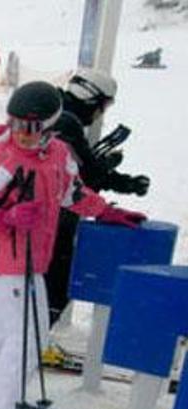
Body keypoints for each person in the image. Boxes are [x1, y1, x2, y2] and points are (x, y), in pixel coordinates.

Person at [0, 81, 146, 409]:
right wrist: (4, 216)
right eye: (15, 124)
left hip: (33, 258)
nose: (22, 134)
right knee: (29, 334)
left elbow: (73, 192)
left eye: (32, 127)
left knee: (5, 323)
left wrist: (107, 211)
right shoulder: (3, 158)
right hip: (9, 260)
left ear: (51, 126)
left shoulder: (58, 155)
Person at [45, 69, 151, 328]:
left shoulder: (52, 111)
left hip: (41, 217)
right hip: (53, 220)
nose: (101, 113)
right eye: (104, 105)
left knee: (34, 282)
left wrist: (102, 166)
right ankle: (28, 339)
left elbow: (72, 168)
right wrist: (126, 182)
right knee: (56, 286)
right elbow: (86, 176)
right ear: (92, 99)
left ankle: (9, 330)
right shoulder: (66, 122)